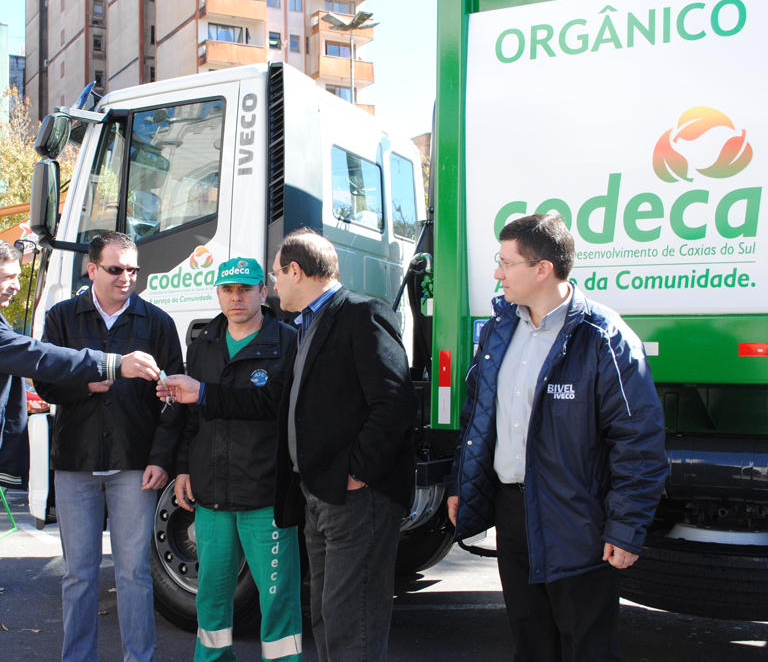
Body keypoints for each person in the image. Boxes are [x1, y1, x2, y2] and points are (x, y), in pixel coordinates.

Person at [161, 228, 417, 662]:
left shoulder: (360, 315)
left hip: (350, 495)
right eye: (229, 289)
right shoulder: (308, 325)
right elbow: (271, 401)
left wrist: (356, 473)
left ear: (295, 272)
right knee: (329, 615)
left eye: (275, 276)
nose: (273, 286)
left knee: (351, 620)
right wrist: (201, 394)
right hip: (316, 495)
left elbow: (394, 403)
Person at [0, 239, 161, 662]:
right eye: (7, 278)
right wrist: (113, 364)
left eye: (18, 278)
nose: (14, 287)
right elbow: (35, 356)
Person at [446, 213, 667, 662]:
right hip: (513, 514)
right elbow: (477, 418)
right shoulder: (498, 330)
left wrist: (625, 529)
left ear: (543, 268)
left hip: (575, 519)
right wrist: (459, 484)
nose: (497, 272)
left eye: (506, 262)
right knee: (531, 644)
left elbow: (638, 441)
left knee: (588, 647)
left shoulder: (603, 337)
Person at [34, 231, 184, 662]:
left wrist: (160, 459)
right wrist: (85, 384)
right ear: (92, 269)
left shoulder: (157, 322)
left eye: (133, 270)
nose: (126, 278)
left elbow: (174, 398)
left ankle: (139, 657)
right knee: (78, 575)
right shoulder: (63, 317)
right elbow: (43, 381)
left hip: (135, 465)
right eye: (116, 269)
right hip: (76, 462)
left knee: (134, 573)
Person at [174, 257, 302, 662]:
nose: (236, 298)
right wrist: (181, 467)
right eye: (228, 290)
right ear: (217, 294)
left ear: (264, 293)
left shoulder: (288, 342)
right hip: (211, 494)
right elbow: (189, 418)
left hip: (266, 494)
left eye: (246, 289)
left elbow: (275, 404)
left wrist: (206, 393)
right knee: (211, 597)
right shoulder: (202, 346)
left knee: (278, 597)